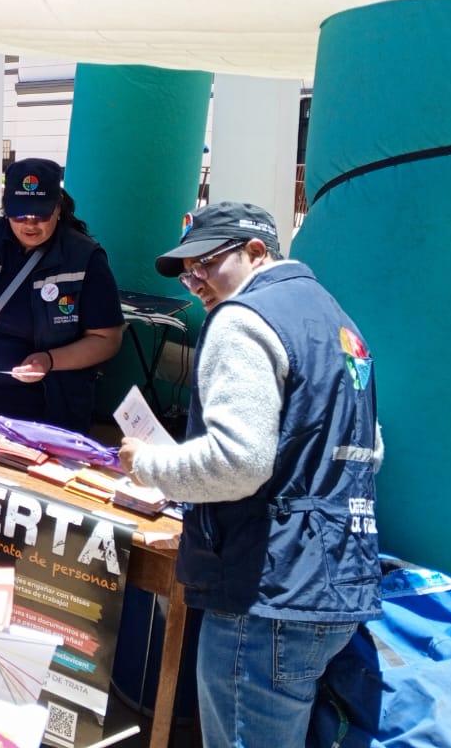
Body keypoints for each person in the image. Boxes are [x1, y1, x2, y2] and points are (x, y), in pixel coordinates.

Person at [117, 201, 383, 748]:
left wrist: (147, 466)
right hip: (340, 578)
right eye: (187, 273)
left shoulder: (243, 318)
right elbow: (370, 448)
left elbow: (238, 462)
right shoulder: (337, 321)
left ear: (256, 252)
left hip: (266, 593)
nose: (195, 283)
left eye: (206, 265)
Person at [0, 158, 124, 433]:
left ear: (58, 207)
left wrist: (50, 359)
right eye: (19, 214)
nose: (29, 224)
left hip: (47, 413)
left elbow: (107, 339)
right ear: (5, 206)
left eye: (41, 214)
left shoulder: (85, 259)